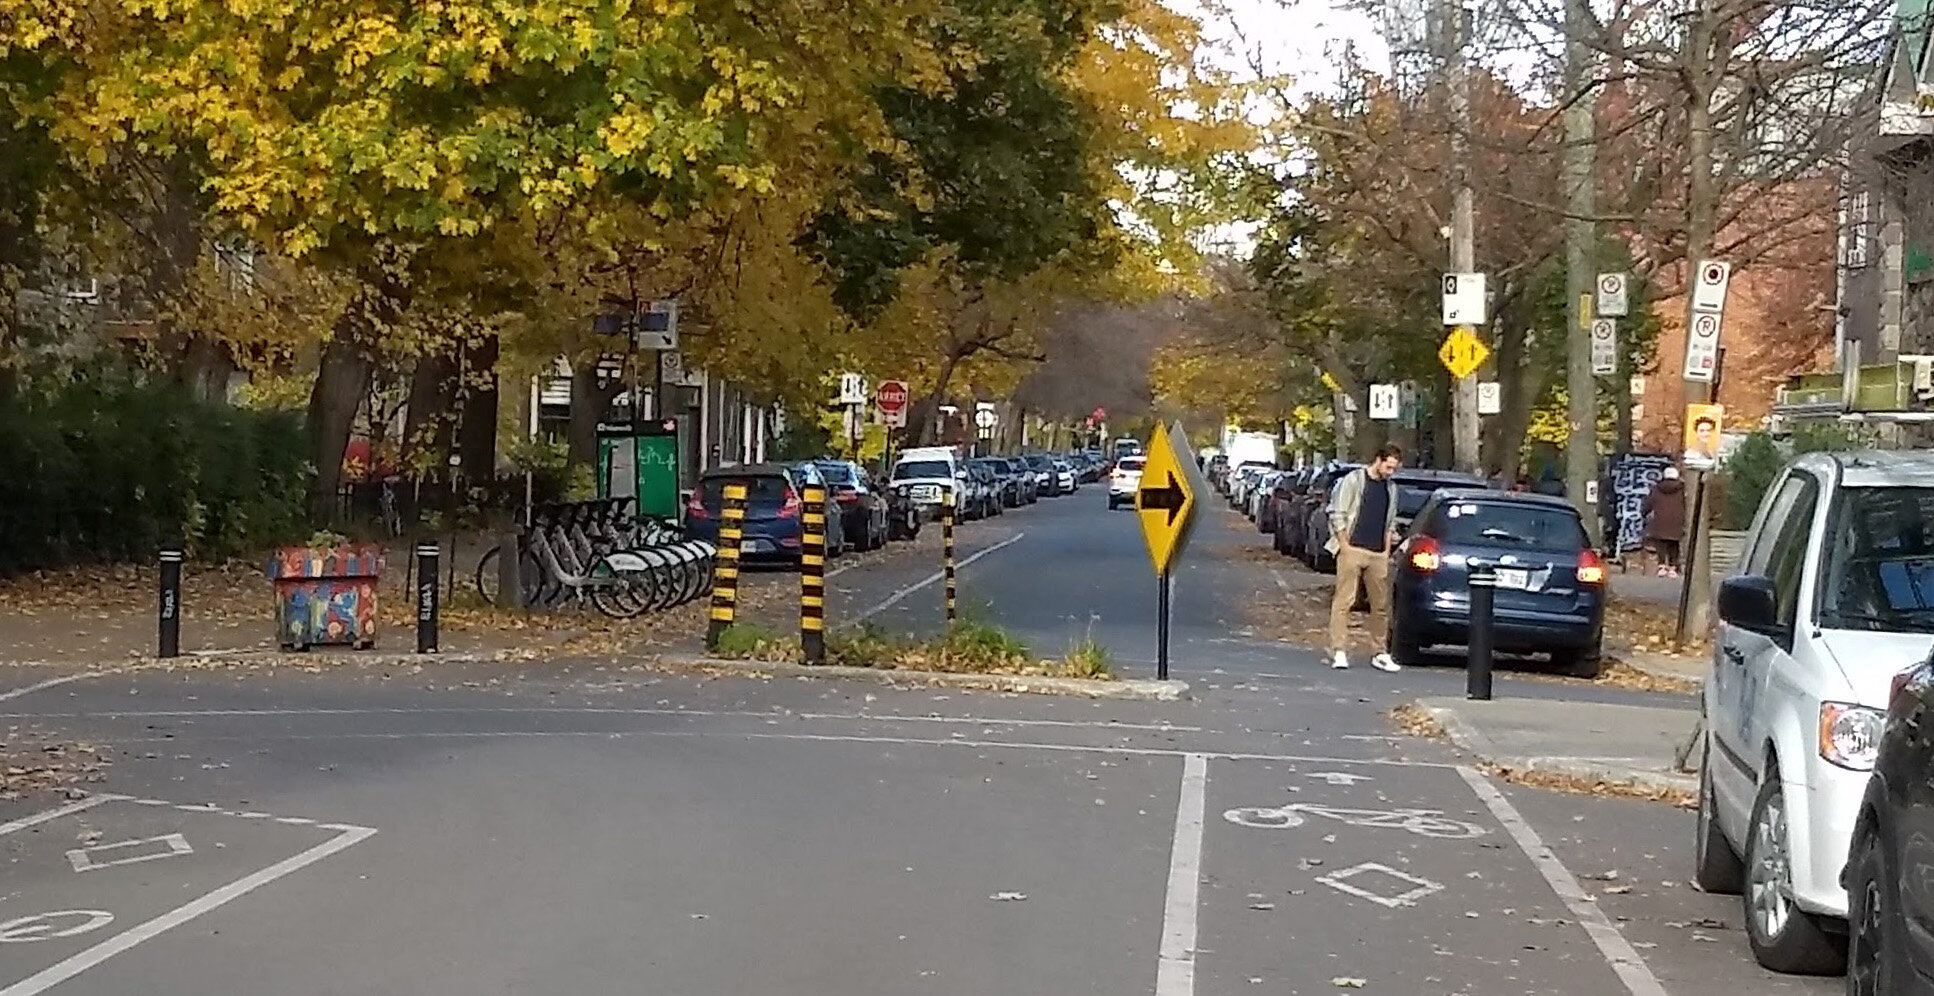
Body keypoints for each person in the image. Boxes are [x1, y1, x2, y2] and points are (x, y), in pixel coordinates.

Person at [1326, 443, 1403, 672]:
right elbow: (1337, 511)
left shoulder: (1392, 489)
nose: (1390, 472)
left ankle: (1380, 652)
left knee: (1380, 605)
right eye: (1388, 467)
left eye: (1394, 469)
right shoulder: (1353, 480)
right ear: (1378, 460)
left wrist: (1387, 551)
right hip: (1353, 548)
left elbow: (1390, 522)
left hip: (1378, 552)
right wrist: (1344, 544)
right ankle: (1339, 650)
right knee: (1344, 601)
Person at [1642, 467, 1687, 578]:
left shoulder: (1657, 489)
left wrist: (1643, 512)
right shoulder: (1682, 489)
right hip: (1677, 520)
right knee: (1674, 544)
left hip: (1660, 520)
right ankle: (1673, 567)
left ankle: (1662, 566)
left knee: (1661, 544)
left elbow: (1649, 503)